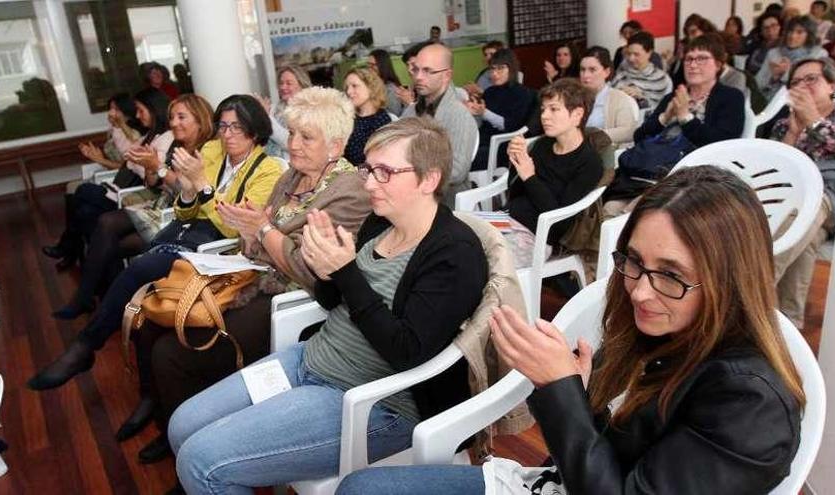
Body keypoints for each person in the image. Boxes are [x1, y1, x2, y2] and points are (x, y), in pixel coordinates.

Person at [335, 165, 804, 495]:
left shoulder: (751, 404)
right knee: (358, 486)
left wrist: (561, 392)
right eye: (634, 262)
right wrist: (579, 397)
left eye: (670, 275)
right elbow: (614, 452)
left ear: (730, 282)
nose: (640, 291)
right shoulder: (662, 335)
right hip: (560, 483)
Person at [167, 117, 489, 494]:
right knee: (182, 425)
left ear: (429, 179)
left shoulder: (454, 253)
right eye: (369, 169)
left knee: (202, 463)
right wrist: (326, 270)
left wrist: (346, 272)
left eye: (384, 172)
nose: (368, 182)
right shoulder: (379, 222)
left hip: (370, 402)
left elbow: (407, 351)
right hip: (310, 359)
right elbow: (332, 301)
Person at [121, 87, 372, 466]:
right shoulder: (290, 176)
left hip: (290, 298)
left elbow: (312, 270)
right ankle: (169, 424)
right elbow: (253, 242)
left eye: (307, 137)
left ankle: (190, 451)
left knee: (170, 353)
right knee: (152, 323)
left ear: (335, 147)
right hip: (252, 276)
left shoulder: (349, 191)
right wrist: (253, 230)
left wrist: (263, 230)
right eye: (291, 134)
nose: (294, 145)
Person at [26, 94, 284, 391]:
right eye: (223, 127)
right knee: (143, 287)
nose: (227, 135)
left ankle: (85, 346)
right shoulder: (212, 149)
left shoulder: (269, 169)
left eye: (236, 128)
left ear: (255, 129)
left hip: (221, 249)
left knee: (141, 268)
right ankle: (140, 385)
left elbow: (232, 227)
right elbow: (184, 210)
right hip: (187, 231)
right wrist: (188, 190)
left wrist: (201, 184)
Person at [51, 94, 215, 319]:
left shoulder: (208, 150)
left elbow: (187, 192)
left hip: (175, 215)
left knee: (106, 230)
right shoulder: (177, 144)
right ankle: (101, 303)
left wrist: (157, 166)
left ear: (200, 118)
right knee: (102, 227)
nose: (174, 122)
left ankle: (97, 302)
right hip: (162, 205)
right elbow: (154, 183)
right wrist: (150, 166)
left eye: (181, 117)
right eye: (172, 117)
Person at [606, 34, 745, 214]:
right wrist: (665, 117)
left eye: (701, 59)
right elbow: (640, 136)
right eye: (689, 59)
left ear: (718, 64)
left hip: (693, 177)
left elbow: (722, 142)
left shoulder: (730, 97)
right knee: (609, 208)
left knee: (634, 212)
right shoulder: (674, 96)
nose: (693, 65)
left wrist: (685, 117)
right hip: (648, 172)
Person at [42, 89, 173, 276]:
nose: (111, 114)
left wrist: (120, 146)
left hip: (128, 191)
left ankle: (72, 250)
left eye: (115, 109)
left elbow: (133, 163)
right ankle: (81, 258)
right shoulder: (150, 135)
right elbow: (130, 159)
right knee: (85, 212)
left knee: (83, 192)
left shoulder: (159, 137)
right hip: (120, 185)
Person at [769, 57, 835, 329]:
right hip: (791, 198)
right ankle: (788, 322)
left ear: (832, 84)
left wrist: (814, 122)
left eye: (812, 79)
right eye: (796, 82)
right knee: (806, 237)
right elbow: (776, 172)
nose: (802, 86)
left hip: (828, 196)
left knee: (800, 213)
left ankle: (750, 290)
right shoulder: (784, 124)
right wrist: (794, 134)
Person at [505, 78, 603, 243]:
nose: (544, 116)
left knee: (475, 257)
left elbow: (560, 223)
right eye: (543, 109)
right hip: (508, 219)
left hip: (536, 236)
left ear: (577, 114)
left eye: (554, 109)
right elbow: (514, 194)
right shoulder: (542, 144)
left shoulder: (589, 162)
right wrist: (516, 162)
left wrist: (530, 177)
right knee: (463, 234)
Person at [401, 43, 478, 206]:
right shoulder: (412, 111)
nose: (418, 77)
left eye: (428, 71)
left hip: (445, 202)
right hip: (414, 195)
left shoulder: (460, 115)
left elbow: (457, 172)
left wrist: (409, 174)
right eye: (416, 70)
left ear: (447, 76)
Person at [465, 48, 536, 171]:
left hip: (504, 145)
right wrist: (472, 111)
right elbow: (483, 123)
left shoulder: (522, 93)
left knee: (465, 158)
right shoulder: (490, 92)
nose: (495, 73)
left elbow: (509, 125)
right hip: (484, 139)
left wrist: (484, 112)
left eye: (501, 68)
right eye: (492, 68)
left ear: (511, 69)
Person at [579, 46, 640, 147]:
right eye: (582, 70)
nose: (585, 75)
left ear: (606, 72)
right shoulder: (573, 97)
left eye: (592, 70)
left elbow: (629, 131)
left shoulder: (619, 98)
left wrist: (594, 137)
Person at [757, 15, 828, 101]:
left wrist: (786, 74)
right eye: (790, 31)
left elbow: (817, 86)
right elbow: (758, 83)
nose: (792, 36)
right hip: (771, 101)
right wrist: (773, 78)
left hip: (804, 101)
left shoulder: (818, 55)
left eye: (799, 32)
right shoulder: (773, 53)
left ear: (809, 35)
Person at [255, 64, 312, 160]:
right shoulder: (273, 108)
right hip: (269, 166)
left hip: (293, 168)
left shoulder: (309, 110)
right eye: (281, 83)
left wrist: (267, 118)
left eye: (288, 83)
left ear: (302, 85)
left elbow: (290, 142)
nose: (283, 87)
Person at [612, 30, 673, 112]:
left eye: (636, 54)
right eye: (629, 54)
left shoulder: (663, 79)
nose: (631, 58)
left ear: (649, 53)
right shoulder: (620, 76)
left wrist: (642, 99)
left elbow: (665, 110)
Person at [343, 67, 393, 166]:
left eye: (354, 86)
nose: (349, 91)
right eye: (347, 87)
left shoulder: (382, 120)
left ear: (371, 87)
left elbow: (373, 160)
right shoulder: (349, 117)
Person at [665, 14, 718, 87]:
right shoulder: (684, 45)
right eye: (688, 34)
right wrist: (675, 61)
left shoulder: (715, 45)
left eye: (693, 32)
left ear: (703, 30)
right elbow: (675, 78)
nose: (690, 37)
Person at [367, 49, 405, 115]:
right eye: (368, 64)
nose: (369, 68)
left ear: (382, 66)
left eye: (373, 65)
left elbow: (395, 114)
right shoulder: (372, 84)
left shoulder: (390, 89)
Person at [745, 12, 783, 76]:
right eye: (766, 27)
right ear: (761, 31)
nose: (770, 30)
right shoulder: (756, 46)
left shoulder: (784, 46)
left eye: (773, 26)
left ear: (779, 27)